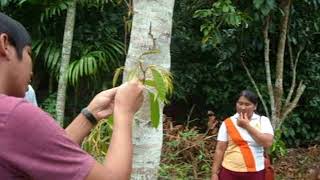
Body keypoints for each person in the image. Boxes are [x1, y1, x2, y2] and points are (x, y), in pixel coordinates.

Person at [0, 12, 144, 180]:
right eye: (29, 53)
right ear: (4, 45)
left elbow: (47, 153)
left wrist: (91, 114)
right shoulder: (12, 115)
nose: (32, 70)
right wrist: (124, 111)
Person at [211, 90, 274, 180]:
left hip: (255, 172)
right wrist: (214, 173)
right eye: (240, 103)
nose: (243, 107)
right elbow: (220, 149)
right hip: (229, 171)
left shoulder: (263, 121)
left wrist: (246, 126)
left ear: (255, 106)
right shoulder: (228, 122)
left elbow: (267, 143)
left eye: (247, 104)